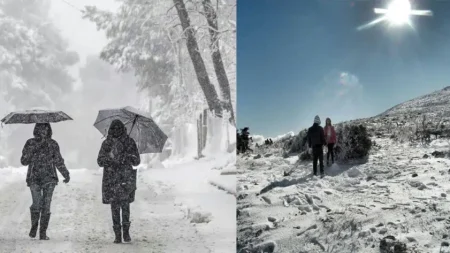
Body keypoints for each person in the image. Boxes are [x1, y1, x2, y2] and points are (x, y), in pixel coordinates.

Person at [20, 123, 70, 240]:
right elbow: (23, 161)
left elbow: (58, 160)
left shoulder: (52, 144)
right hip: (34, 178)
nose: (44, 131)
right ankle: (34, 225)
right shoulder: (30, 143)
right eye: (41, 128)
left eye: (46, 128)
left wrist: (65, 173)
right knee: (37, 204)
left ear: (49, 130)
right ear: (37, 130)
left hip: (49, 178)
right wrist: (32, 150)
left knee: (46, 205)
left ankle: (42, 232)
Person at [97, 119, 141, 244]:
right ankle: (117, 234)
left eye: (118, 129)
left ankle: (126, 233)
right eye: (114, 129)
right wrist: (109, 157)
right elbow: (100, 161)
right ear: (111, 130)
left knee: (125, 205)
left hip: (125, 178)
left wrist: (126, 156)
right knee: (115, 207)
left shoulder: (129, 142)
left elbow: (137, 161)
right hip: (111, 179)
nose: (116, 131)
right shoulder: (107, 144)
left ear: (122, 129)